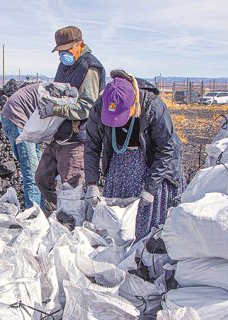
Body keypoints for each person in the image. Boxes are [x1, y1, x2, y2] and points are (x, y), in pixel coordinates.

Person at [84, 70, 185, 240]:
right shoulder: (102, 104)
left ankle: (142, 260)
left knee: (146, 227)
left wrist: (151, 188)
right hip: (120, 167)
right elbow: (92, 145)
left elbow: (166, 148)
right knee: (117, 227)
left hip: (154, 167)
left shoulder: (152, 106)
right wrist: (92, 183)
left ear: (134, 104)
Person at [35, 25, 105, 212]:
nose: (61, 55)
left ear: (79, 45)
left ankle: (75, 226)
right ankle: (61, 215)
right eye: (59, 51)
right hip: (58, 134)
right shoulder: (65, 64)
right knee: (42, 178)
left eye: (66, 50)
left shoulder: (89, 68)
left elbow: (87, 107)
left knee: (72, 186)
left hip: (75, 138)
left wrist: (55, 109)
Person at [0, 83, 43, 208]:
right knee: (31, 169)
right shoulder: (58, 97)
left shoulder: (58, 92)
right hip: (16, 119)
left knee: (39, 170)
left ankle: (41, 210)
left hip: (28, 122)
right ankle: (34, 214)